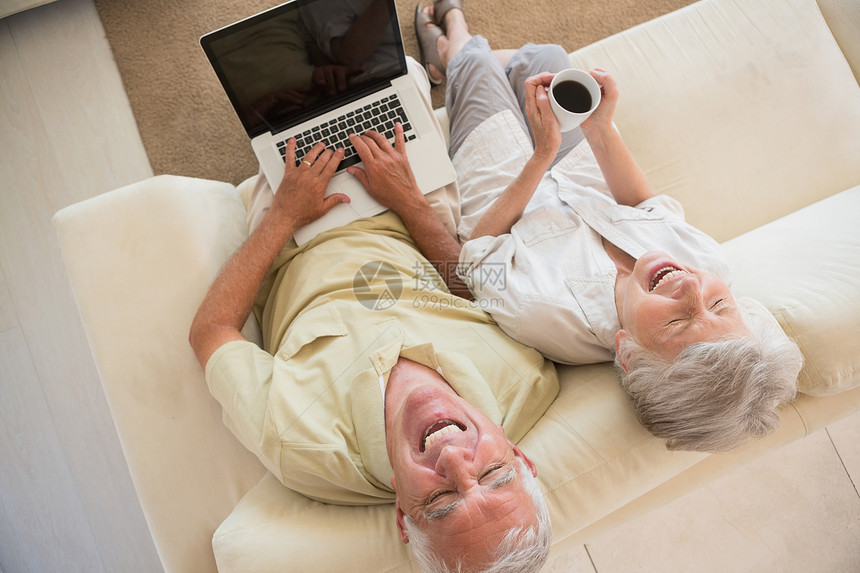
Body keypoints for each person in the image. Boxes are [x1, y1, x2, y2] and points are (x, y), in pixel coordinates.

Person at [354, 1, 803, 454]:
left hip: (502, 179)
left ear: (628, 353)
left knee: (474, 63)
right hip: (581, 170)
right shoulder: (709, 264)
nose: (691, 289)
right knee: (545, 58)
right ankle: (457, 58)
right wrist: (601, 128)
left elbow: (478, 252)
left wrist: (541, 155)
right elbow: (644, 205)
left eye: (679, 322)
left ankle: (453, 41)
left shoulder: (545, 313)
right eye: (720, 305)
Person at [189, 48, 558, 573]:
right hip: (413, 215)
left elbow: (211, 331)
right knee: (393, 69)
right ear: (521, 461)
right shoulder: (528, 378)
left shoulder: (299, 441)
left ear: (404, 520)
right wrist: (407, 199)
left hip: (299, 234)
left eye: (441, 501)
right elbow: (472, 282)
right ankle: (435, 51)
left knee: (293, 83)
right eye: (495, 475)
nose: (453, 457)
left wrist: (284, 215)